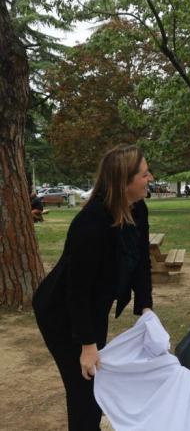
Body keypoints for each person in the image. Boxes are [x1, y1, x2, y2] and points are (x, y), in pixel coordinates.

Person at [33, 144, 155, 430]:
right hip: (61, 313)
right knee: (84, 390)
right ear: (124, 181)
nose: (150, 178)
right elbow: (77, 290)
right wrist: (88, 345)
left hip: (93, 308)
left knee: (95, 387)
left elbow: (140, 263)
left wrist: (146, 308)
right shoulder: (90, 222)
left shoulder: (138, 210)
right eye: (145, 174)